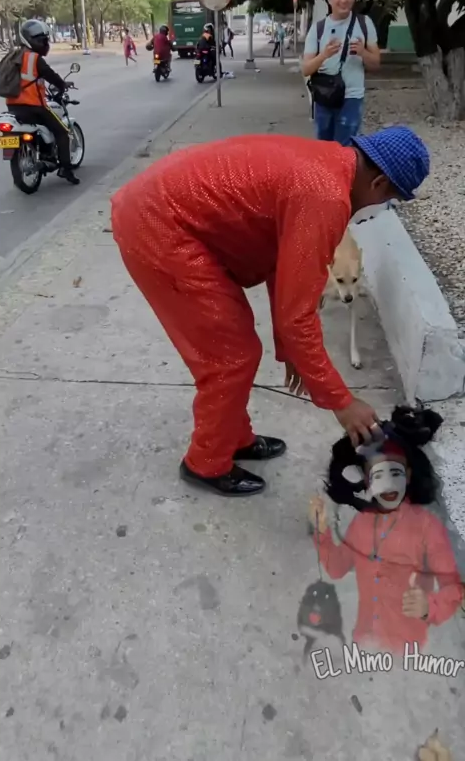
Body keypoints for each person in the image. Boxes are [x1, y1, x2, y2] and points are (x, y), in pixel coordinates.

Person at [111, 126, 429, 498]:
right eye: (390, 199)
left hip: (162, 207)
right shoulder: (325, 197)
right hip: (157, 223)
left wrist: (289, 350)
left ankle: (233, 437)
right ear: (378, 184)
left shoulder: (330, 166)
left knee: (238, 352)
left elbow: (287, 270)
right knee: (230, 357)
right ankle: (205, 461)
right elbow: (298, 318)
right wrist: (343, 403)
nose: (380, 208)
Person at [309, 406, 462, 653]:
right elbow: (337, 568)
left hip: (408, 651)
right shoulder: (362, 523)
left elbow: (453, 586)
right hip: (363, 644)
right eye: (379, 475)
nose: (388, 484)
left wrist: (429, 606)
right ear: (367, 481)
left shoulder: (427, 528)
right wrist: (321, 530)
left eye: (395, 473)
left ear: (408, 475)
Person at [303, 0, 380, 145]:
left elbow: (375, 64)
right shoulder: (318, 28)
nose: (344, 0)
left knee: (346, 149)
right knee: (323, 148)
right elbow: (306, 69)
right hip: (324, 97)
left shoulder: (364, 24)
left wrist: (363, 52)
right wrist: (324, 55)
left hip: (352, 98)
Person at [6, 19, 79, 185]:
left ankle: (42, 153)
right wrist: (62, 85)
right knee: (62, 131)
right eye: (40, 40)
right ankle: (65, 169)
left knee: (43, 127)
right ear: (28, 40)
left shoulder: (13, 56)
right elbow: (50, 75)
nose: (43, 44)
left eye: (44, 40)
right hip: (34, 107)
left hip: (12, 107)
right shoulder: (34, 58)